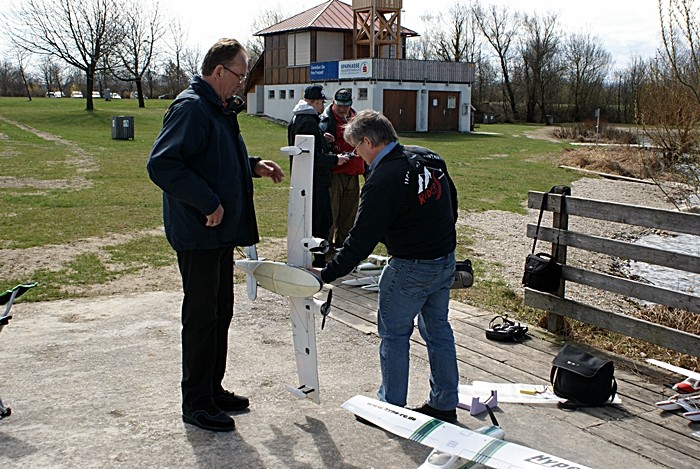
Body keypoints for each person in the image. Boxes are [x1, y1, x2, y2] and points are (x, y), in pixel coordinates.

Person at [146, 38, 284, 433]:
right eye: (239, 75)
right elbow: (163, 165)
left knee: (220, 313)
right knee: (202, 317)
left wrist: (253, 165)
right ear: (219, 71)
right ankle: (196, 402)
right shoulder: (191, 107)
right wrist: (207, 202)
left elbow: (214, 156)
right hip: (199, 233)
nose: (241, 83)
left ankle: (213, 388)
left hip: (219, 235)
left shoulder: (216, 108)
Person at [319, 109, 460, 424]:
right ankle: (444, 404)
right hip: (444, 260)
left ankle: (390, 408)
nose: (358, 156)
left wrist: (326, 275)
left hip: (411, 266)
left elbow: (360, 240)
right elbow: (452, 201)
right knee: (438, 331)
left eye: (357, 149)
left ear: (369, 142)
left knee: (395, 334)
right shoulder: (429, 157)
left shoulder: (384, 177)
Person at [288, 84, 349, 267]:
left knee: (322, 220)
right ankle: (318, 261)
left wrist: (324, 139)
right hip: (314, 181)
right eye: (322, 102)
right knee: (320, 222)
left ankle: (318, 259)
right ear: (314, 102)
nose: (323, 106)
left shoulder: (301, 118)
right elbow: (311, 156)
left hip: (312, 180)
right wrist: (335, 160)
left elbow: (313, 146)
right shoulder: (307, 120)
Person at [319, 88, 365, 252]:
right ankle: (326, 249)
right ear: (333, 103)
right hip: (334, 174)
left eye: (345, 106)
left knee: (349, 215)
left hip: (353, 172)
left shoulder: (358, 120)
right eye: (339, 106)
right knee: (331, 213)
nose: (342, 110)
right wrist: (324, 139)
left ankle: (343, 248)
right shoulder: (325, 120)